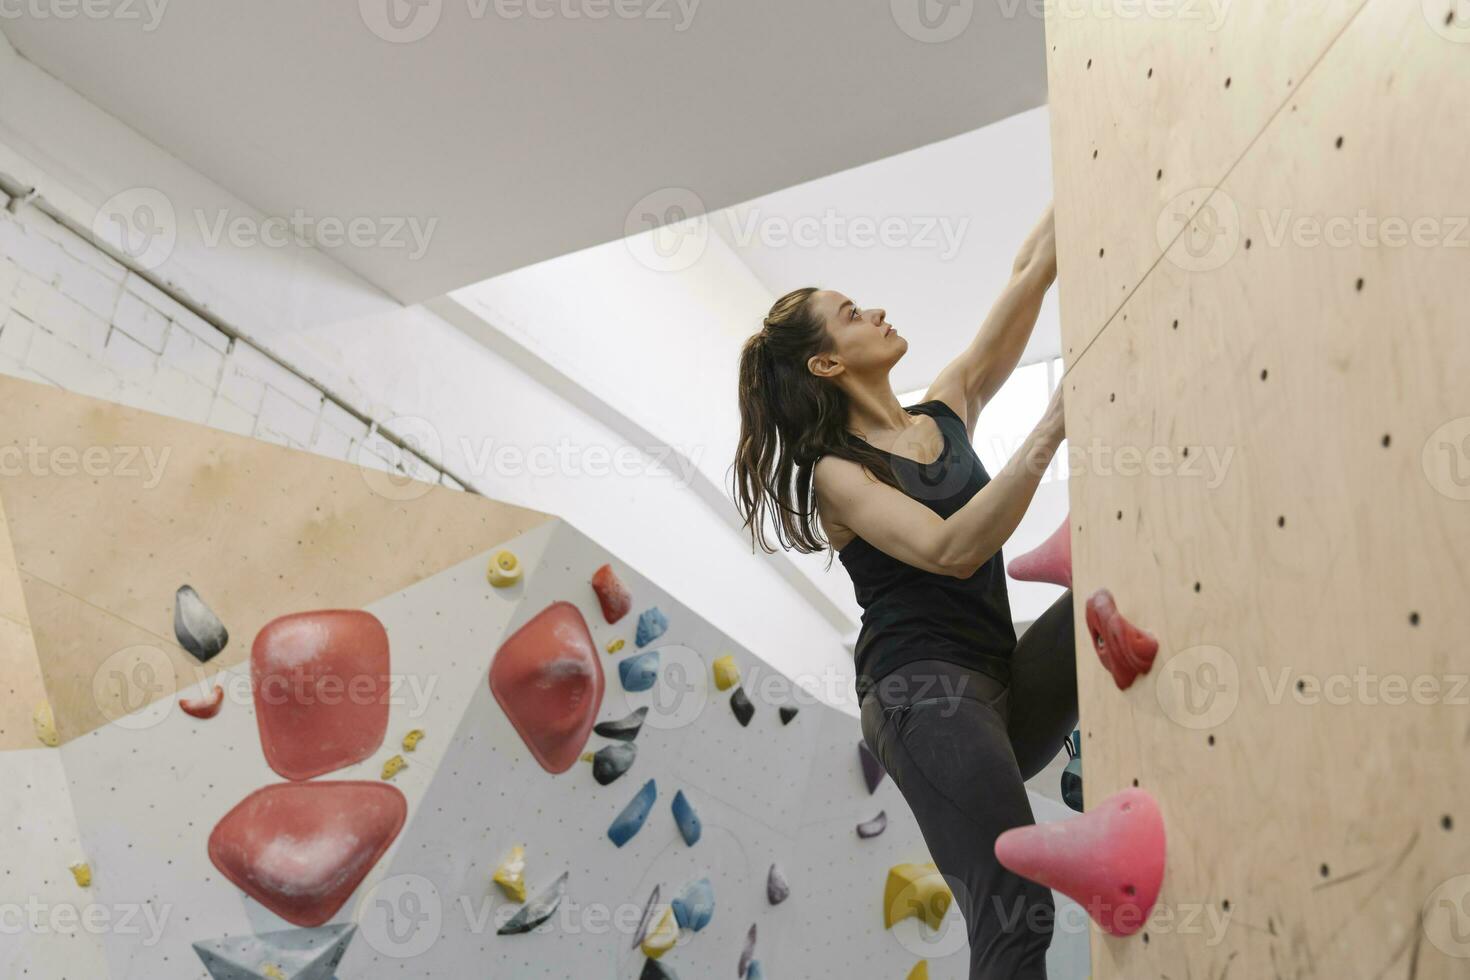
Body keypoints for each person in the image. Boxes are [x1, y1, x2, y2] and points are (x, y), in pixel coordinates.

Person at [733, 205, 1076, 979]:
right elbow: (951, 550)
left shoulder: (946, 406)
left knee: (1108, 603)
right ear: (827, 364)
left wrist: (1076, 192)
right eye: (852, 314)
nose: (877, 312)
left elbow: (1031, 272)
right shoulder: (838, 473)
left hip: (1002, 687)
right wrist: (1051, 427)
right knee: (1016, 906)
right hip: (922, 697)